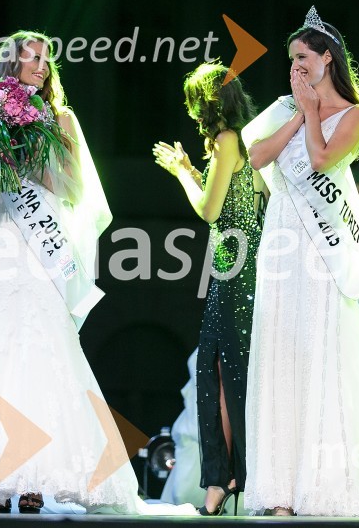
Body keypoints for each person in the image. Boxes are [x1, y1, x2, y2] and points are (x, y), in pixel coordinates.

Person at [0, 31, 192, 515]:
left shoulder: (61, 118)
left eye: (47, 60)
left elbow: (74, 190)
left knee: (47, 349)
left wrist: (31, 162)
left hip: (41, 249)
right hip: (3, 247)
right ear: (12, 63)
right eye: (34, 58)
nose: (42, 67)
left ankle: (36, 478)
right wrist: (0, 157)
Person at [243, 6, 359, 517]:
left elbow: (321, 159)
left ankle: (319, 483)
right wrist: (297, 111)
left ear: (327, 58)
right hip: (281, 241)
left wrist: (312, 112)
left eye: (303, 58)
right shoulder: (284, 107)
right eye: (291, 60)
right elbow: (257, 157)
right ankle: (279, 490)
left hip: (322, 248)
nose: (295, 67)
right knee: (280, 349)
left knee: (316, 346)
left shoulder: (355, 114)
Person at [153, 62, 262, 516]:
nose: (191, 111)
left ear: (207, 102)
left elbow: (210, 211)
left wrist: (181, 172)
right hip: (239, 266)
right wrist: (192, 171)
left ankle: (227, 477)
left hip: (234, 270)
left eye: (194, 102)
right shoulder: (246, 139)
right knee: (225, 373)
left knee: (221, 372)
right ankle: (227, 477)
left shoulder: (226, 140)